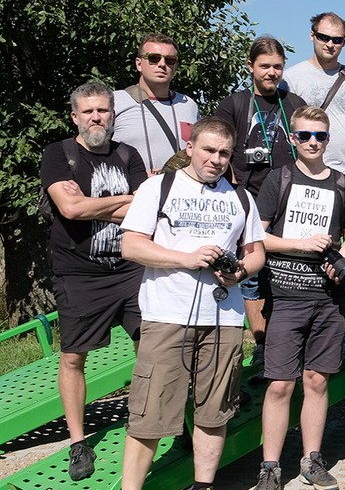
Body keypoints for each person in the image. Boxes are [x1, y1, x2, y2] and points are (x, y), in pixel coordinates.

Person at [119, 117, 266, 490]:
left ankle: (204, 485)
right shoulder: (158, 187)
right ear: (190, 148)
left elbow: (256, 254)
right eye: (208, 150)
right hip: (167, 314)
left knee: (214, 412)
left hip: (224, 317)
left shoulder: (239, 197)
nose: (216, 159)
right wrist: (186, 258)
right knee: (149, 415)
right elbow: (131, 245)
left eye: (224, 153)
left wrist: (239, 273)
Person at [41, 81, 147, 481]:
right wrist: (120, 202)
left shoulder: (127, 154)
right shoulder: (59, 155)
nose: (96, 118)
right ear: (75, 117)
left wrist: (89, 206)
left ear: (113, 114)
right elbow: (68, 208)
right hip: (79, 273)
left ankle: (156, 421)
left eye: (103, 110)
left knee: (152, 346)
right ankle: (78, 441)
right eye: (88, 112)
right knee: (73, 357)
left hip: (131, 267)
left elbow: (143, 211)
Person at [253, 106, 345, 490]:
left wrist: (343, 259)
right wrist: (301, 244)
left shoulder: (344, 184)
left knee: (316, 380)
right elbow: (258, 235)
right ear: (292, 138)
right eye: (305, 136)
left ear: (328, 138)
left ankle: (312, 460)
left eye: (320, 136)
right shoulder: (278, 179)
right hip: (286, 296)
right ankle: (269, 466)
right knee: (279, 384)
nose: (313, 142)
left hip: (329, 298)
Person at [212, 36, 307, 364]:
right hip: (249, 200)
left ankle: (288, 338)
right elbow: (217, 148)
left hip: (289, 198)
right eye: (264, 66)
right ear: (250, 66)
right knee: (251, 273)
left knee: (285, 270)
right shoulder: (234, 104)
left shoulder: (292, 102)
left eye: (277, 66)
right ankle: (262, 341)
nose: (271, 72)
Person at [284, 12, 345, 182]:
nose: (330, 44)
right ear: (312, 35)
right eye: (323, 37)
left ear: (344, 43)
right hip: (306, 175)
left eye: (337, 40)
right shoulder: (291, 78)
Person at [113, 33, 199, 175]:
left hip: (178, 192)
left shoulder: (189, 105)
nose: (162, 64)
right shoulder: (115, 101)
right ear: (139, 64)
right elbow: (94, 152)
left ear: (176, 66)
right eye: (154, 58)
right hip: (133, 193)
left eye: (170, 60)